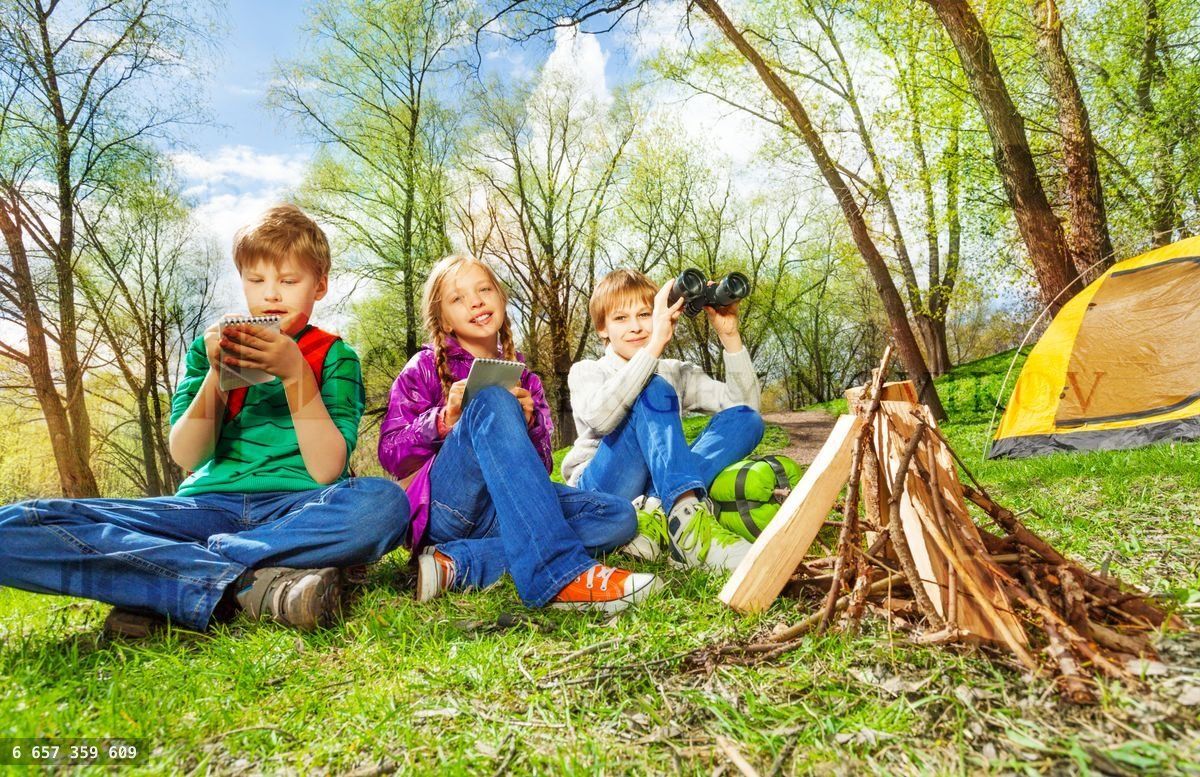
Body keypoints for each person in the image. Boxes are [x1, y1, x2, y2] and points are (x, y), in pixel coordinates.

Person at [0, 204, 409, 633]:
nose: (271, 294)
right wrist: (216, 375)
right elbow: (188, 453)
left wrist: (295, 375)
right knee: (16, 524)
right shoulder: (207, 350)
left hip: (300, 507)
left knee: (383, 504)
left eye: (289, 281)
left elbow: (327, 470)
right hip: (202, 506)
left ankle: (173, 576)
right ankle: (242, 582)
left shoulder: (336, 357)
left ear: (319, 285)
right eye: (256, 281)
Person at [378, 254, 658, 613]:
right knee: (493, 398)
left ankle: (460, 562)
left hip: (503, 512)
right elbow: (391, 453)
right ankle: (558, 572)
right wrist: (444, 419)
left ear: (501, 297)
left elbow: (538, 473)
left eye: (484, 290)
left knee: (618, 516)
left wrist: (528, 425)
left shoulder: (527, 380)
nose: (476, 302)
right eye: (458, 299)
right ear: (444, 320)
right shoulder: (423, 367)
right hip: (447, 508)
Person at [562, 269, 764, 570]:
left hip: (654, 488)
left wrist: (729, 336)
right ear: (602, 328)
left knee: (748, 420)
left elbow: (745, 407)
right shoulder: (588, 370)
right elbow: (600, 420)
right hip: (601, 493)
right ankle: (687, 525)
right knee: (653, 387)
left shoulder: (674, 370)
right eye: (621, 319)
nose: (636, 328)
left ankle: (658, 513)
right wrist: (654, 345)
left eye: (645, 314)